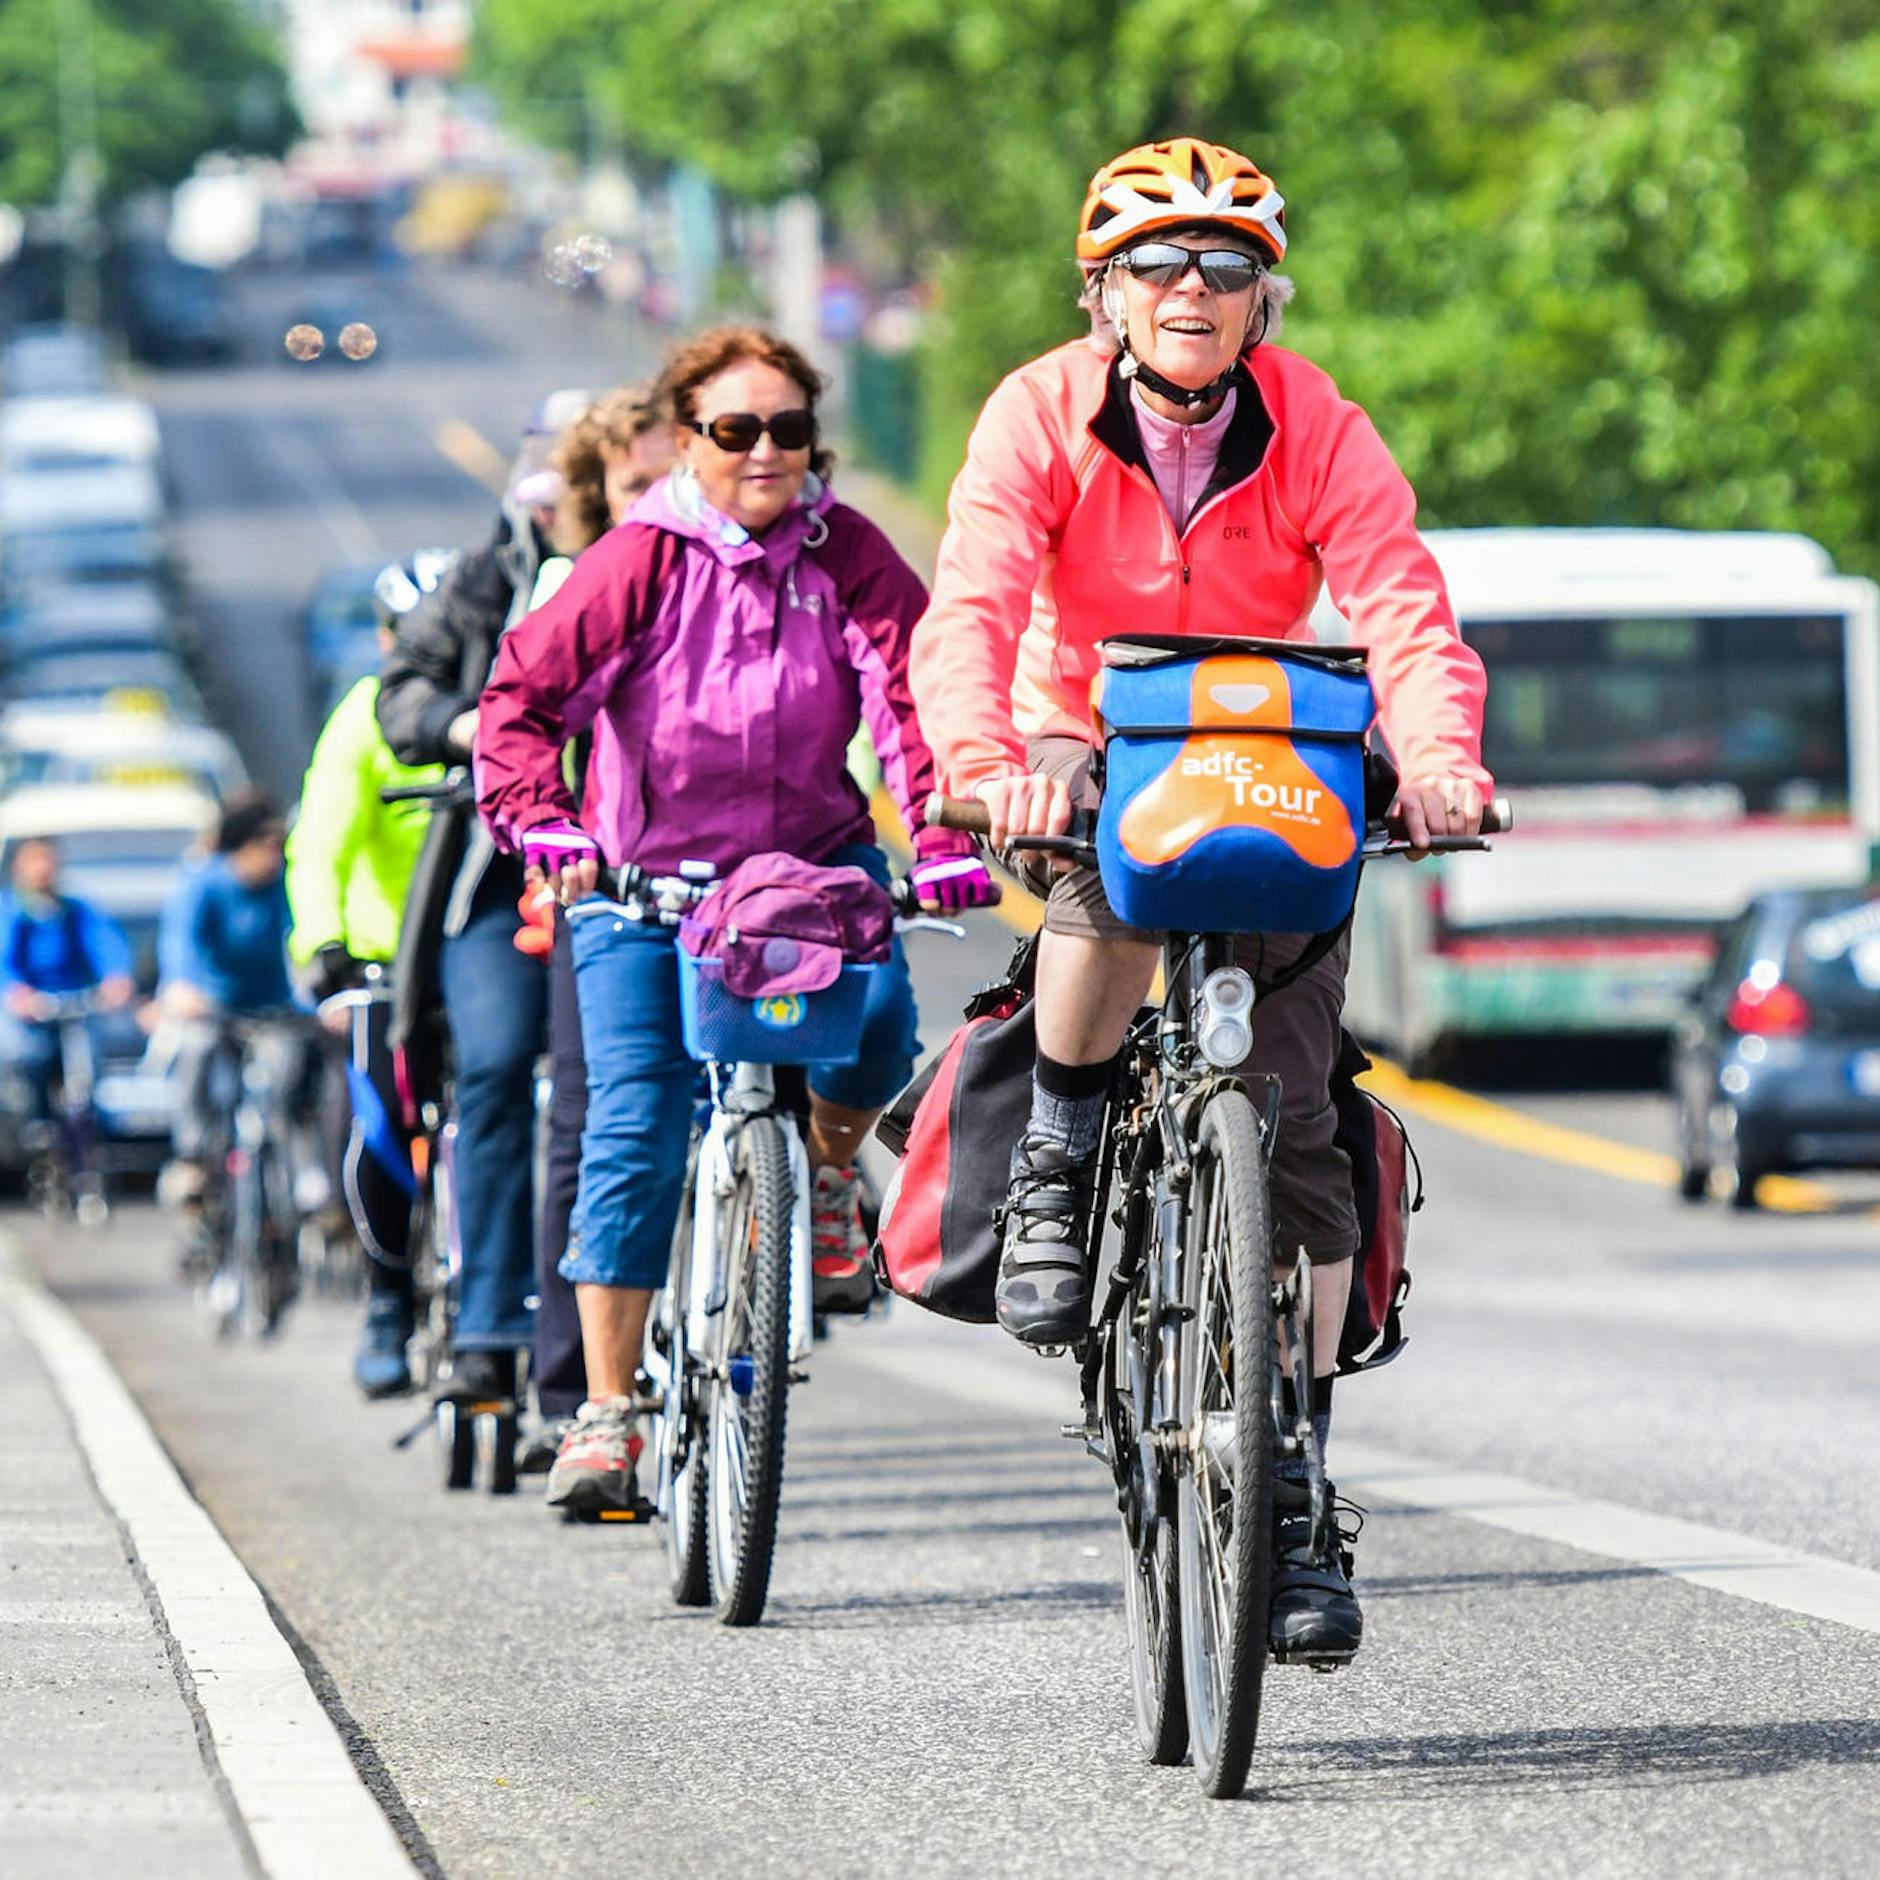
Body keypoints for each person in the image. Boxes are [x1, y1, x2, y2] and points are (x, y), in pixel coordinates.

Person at [907, 138, 1492, 1659]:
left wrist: (1434, 764)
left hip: (1267, 737)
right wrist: (984, 762)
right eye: (1157, 265)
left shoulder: (1316, 422)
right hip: (1079, 738)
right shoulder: (1038, 410)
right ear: (1104, 296)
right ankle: (1059, 1140)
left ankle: (1290, 1476)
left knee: (1297, 1126)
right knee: (1097, 876)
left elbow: (1403, 605)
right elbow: (968, 600)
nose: (1190, 289)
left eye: (1223, 267)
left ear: (1260, 302)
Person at [477, 325, 998, 1515]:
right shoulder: (636, 561)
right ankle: (607, 1412)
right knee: (634, 1130)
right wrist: (546, 825)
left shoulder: (850, 553)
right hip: (642, 886)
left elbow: (912, 695)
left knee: (874, 1030)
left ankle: (818, 1172)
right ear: (686, 439)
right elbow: (519, 700)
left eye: (789, 429)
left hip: (811, 874)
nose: (765, 451)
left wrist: (941, 836)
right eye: (734, 429)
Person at [376, 392, 587, 1409]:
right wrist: (469, 727)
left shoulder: (666, 564)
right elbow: (402, 693)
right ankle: (491, 1317)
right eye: (550, 475)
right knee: (497, 1068)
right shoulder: (478, 578)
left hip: (635, 862)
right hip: (502, 876)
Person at [518, 383, 677, 1469]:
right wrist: (556, 840)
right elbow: (522, 720)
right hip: (603, 880)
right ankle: (575, 1381)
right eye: (634, 484)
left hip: (745, 871)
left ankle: (804, 1215)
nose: (658, 500)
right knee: (593, 1113)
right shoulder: (573, 586)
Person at [286, 556, 448, 1396]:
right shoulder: (360, 718)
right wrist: (324, 943)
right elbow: (319, 843)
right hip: (388, 961)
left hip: (483, 951)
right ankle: (388, 1298)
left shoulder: (499, 702)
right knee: (378, 1120)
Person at [158, 793, 303, 1204]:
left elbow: (299, 939)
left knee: (285, 1071)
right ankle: (192, 1157)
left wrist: (317, 999)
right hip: (213, 1005)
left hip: (271, 1006)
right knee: (197, 1048)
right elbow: (181, 940)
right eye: (265, 846)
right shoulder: (205, 883)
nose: (273, 856)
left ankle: (291, 1172)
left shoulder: (282, 885)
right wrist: (183, 986)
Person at [0, 837, 135, 1128]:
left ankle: (94, 1125)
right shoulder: (11, 910)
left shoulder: (74, 909)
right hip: (31, 1009)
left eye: (48, 860)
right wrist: (16, 992)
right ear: (17, 868)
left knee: (90, 1059)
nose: (43, 869)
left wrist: (116, 977)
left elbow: (106, 943)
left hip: (73, 1000)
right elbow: (5, 958)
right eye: (35, 861)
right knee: (26, 1053)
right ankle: (34, 1122)